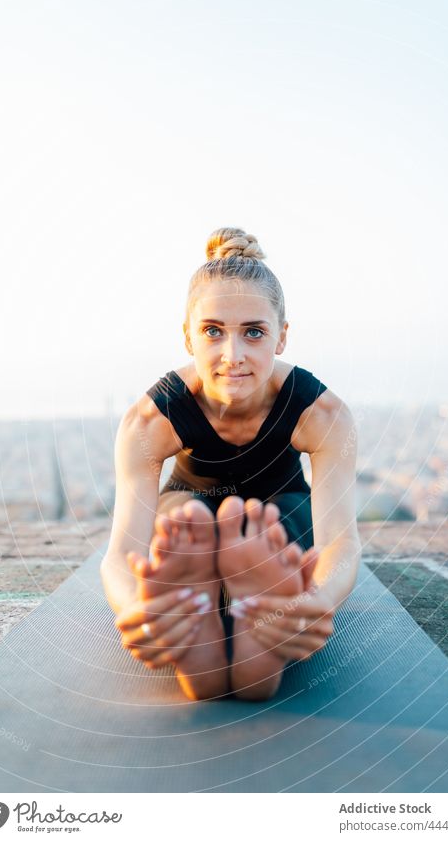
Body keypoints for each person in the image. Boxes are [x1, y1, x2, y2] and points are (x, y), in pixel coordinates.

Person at [100, 227, 361, 702]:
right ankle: (197, 626)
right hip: (191, 515)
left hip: (278, 517)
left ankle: (259, 628)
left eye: (254, 333)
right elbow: (122, 554)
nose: (232, 356)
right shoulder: (150, 420)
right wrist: (141, 609)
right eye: (213, 331)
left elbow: (339, 542)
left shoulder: (321, 414)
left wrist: (314, 600)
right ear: (188, 336)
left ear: (281, 338)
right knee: (181, 523)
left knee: (277, 527)